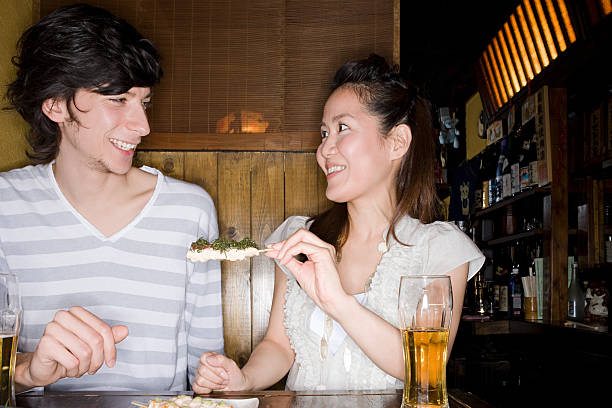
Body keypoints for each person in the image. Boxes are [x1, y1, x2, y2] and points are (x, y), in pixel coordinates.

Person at [192, 54, 484, 393]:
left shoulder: (440, 249)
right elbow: (279, 346)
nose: (324, 149)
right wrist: (244, 378)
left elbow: (424, 369)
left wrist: (338, 303)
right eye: (324, 132)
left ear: (397, 142)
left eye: (342, 128)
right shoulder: (301, 238)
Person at [0, 4, 223, 392]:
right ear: (55, 104)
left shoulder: (190, 210)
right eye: (118, 99)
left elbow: (207, 376)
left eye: (144, 102)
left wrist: (221, 381)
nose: (142, 126)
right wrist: (26, 370)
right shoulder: (5, 205)